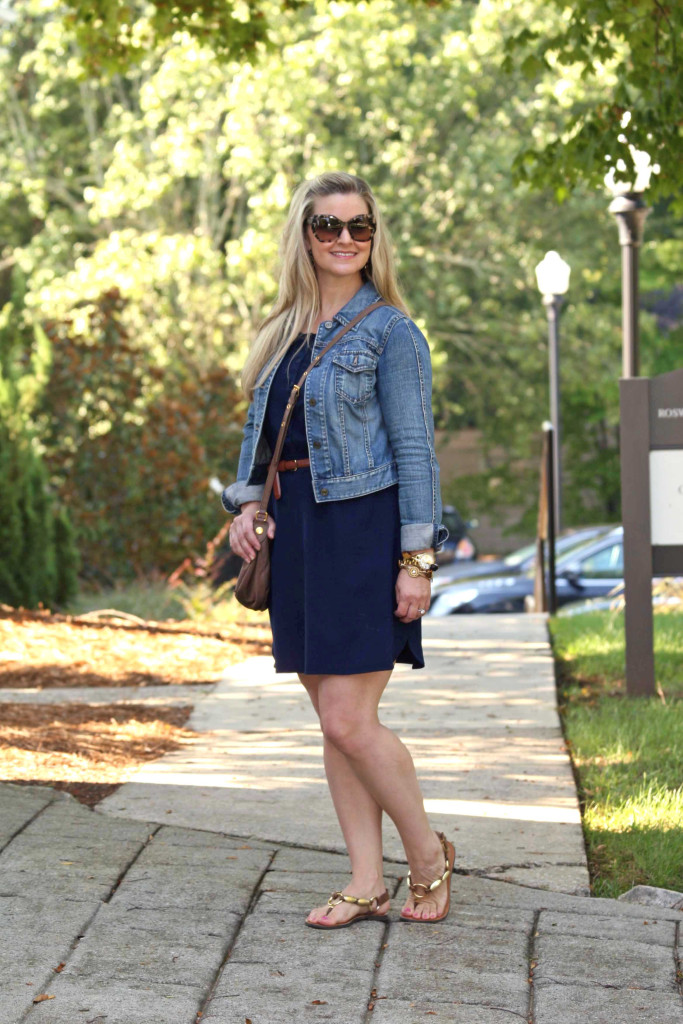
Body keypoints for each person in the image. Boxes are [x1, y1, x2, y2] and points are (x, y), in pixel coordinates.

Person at [223, 171, 453, 928]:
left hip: (361, 528)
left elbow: (417, 454)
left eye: (360, 227)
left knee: (352, 720)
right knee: (331, 719)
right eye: (329, 227)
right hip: (296, 534)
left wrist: (415, 561)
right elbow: (263, 441)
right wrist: (246, 503)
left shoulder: (392, 332)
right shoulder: (283, 331)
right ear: (305, 235)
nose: (345, 240)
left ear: (374, 239)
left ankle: (426, 857)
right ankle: (364, 880)